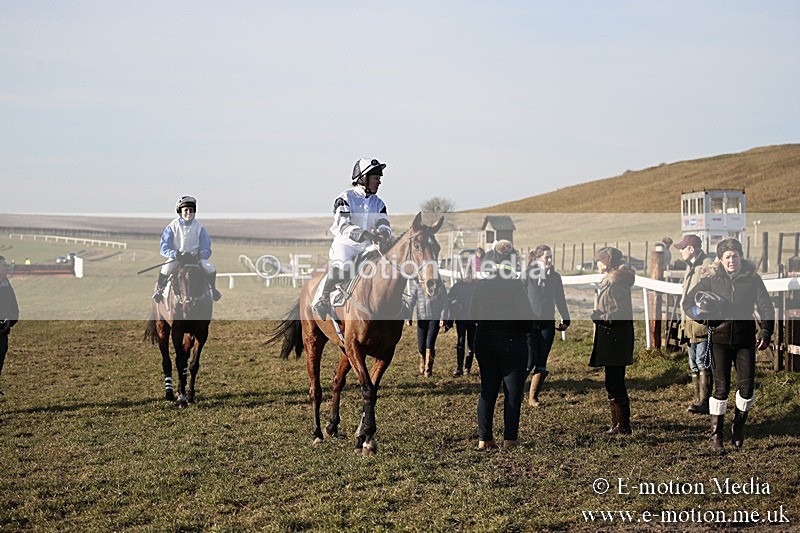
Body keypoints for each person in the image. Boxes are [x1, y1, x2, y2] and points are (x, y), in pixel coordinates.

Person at [684, 238, 774, 452]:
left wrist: (766, 332)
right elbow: (688, 303)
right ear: (720, 259)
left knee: (747, 388)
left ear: (741, 256)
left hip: (745, 342)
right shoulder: (711, 278)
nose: (732, 260)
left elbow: (766, 307)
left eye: (735, 255)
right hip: (719, 342)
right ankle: (716, 435)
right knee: (721, 389)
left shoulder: (752, 279)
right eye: (727, 256)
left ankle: (739, 426)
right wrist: (705, 319)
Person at [469, 240, 534, 450]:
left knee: (488, 390)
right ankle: (510, 439)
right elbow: (526, 320)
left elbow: (471, 316)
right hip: (512, 342)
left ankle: (484, 438)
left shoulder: (481, 286)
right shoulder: (516, 285)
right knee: (513, 392)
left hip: (485, 340)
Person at [311, 158, 391, 320]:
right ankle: (321, 298)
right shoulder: (345, 197)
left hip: (369, 246)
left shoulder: (379, 203)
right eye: (376, 178)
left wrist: (383, 233)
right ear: (363, 178)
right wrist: (365, 234)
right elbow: (343, 225)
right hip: (346, 244)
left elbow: (384, 223)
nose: (379, 182)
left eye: (379, 178)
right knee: (343, 266)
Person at [589, 247, 636, 435]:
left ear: (607, 263)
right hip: (614, 338)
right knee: (612, 382)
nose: (597, 264)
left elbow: (621, 313)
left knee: (615, 382)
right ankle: (617, 424)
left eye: (599, 261)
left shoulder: (616, 283)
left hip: (616, 338)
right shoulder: (612, 281)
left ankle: (623, 425)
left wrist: (600, 317)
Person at [522, 245, 571, 407]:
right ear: (537, 259)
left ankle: (533, 398)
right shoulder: (526, 275)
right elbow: (518, 299)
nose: (550, 260)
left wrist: (566, 319)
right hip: (529, 324)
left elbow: (560, 299)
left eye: (551, 257)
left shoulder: (555, 277)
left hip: (547, 324)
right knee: (528, 361)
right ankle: (514, 391)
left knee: (541, 362)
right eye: (546, 257)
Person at [153, 195, 221, 303]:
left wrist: (199, 255)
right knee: (166, 269)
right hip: (177, 258)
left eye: (191, 210)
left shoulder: (200, 228)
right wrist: (175, 254)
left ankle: (213, 290)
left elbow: (207, 249)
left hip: (195, 259)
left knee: (210, 268)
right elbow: (164, 247)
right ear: (180, 211)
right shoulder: (172, 226)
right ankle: (159, 291)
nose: (189, 212)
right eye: (186, 210)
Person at [675, 234, 714, 414]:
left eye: (683, 248)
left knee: (702, 361)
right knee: (694, 363)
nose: (681, 251)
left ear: (691, 249)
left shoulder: (706, 265)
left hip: (701, 323)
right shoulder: (691, 266)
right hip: (690, 323)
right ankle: (698, 399)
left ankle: (704, 402)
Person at [406, 278, 449, 377]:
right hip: (421, 318)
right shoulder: (417, 285)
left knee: (430, 343)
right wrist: (408, 316)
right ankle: (422, 360)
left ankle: (428, 368)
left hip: (435, 318)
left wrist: (443, 317)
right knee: (421, 346)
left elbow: (444, 302)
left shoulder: (439, 285)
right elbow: (411, 300)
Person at [445, 273, 478, 377]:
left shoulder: (476, 286)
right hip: (461, 319)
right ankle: (459, 367)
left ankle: (467, 367)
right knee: (460, 342)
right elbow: (449, 299)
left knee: (471, 344)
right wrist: (455, 303)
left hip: (473, 320)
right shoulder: (457, 286)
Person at [0, 255, 20, 395]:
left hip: (2, 336)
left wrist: (9, 321)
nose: (5, 268)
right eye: (2, 266)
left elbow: (14, 309)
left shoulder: (6, 283)